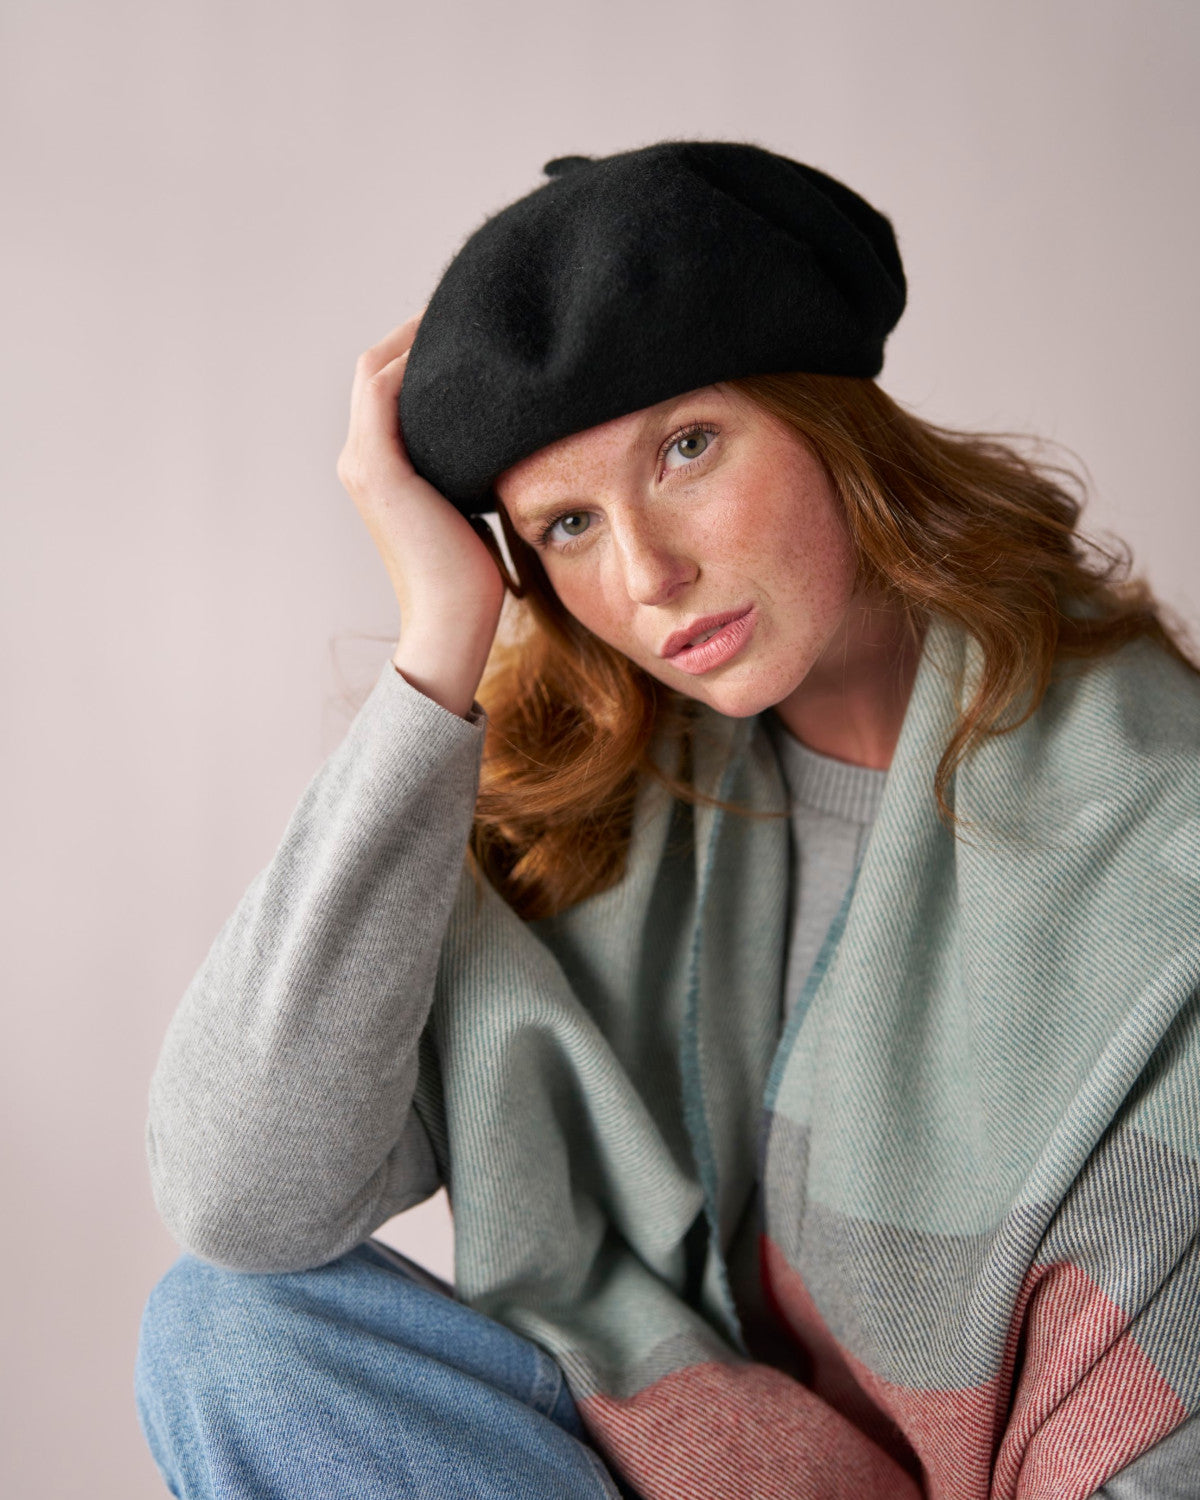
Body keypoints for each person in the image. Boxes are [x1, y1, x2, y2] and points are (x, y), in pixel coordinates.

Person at [134, 141, 1200, 1500]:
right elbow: (241, 1195)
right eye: (568, 527)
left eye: (686, 448)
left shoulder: (1152, 841)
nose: (646, 574)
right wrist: (442, 638)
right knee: (221, 1333)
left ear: (827, 419)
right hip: (672, 1459)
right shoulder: (589, 808)